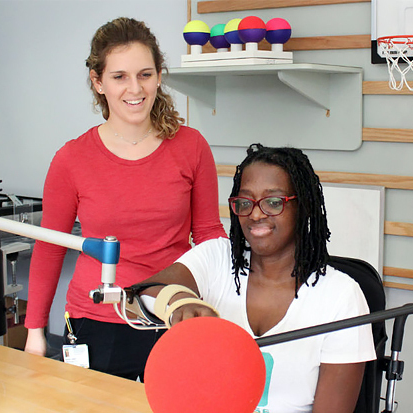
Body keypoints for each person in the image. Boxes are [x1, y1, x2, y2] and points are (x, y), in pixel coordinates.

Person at [23, 17, 227, 381]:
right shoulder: (72, 159)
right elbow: (50, 247)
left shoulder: (191, 146)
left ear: (159, 76)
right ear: (98, 82)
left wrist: (226, 302)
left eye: (145, 74)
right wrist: (35, 333)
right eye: (119, 77)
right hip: (95, 320)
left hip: (170, 313)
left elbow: (210, 235)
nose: (135, 88)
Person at [136, 144, 376, 413]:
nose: (256, 214)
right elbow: (146, 290)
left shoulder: (341, 298)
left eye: (274, 202)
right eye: (245, 202)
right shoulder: (217, 258)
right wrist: (179, 302)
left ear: (303, 207)